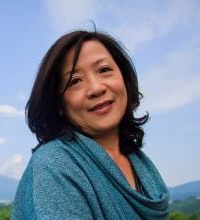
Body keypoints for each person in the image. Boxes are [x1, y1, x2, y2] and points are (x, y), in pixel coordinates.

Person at [11, 30, 169, 219]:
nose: (96, 88)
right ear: (59, 104)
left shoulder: (141, 164)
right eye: (75, 81)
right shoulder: (54, 165)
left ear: (124, 79)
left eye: (104, 70)